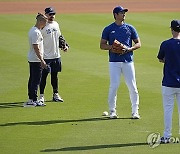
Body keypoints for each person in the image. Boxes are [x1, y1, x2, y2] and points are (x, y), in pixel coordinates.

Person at [100, 6, 141, 119]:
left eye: (124, 12)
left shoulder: (130, 28)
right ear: (115, 15)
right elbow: (102, 45)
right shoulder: (108, 29)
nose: (124, 14)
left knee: (132, 86)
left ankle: (135, 111)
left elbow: (138, 44)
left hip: (128, 61)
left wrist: (129, 49)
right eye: (121, 12)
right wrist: (112, 48)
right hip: (114, 62)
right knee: (114, 86)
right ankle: (112, 111)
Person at [157, 20, 180, 143]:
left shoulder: (165, 44)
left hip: (168, 83)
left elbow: (161, 59)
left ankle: (167, 136)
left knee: (168, 110)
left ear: (172, 29)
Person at [39, 7, 69, 103]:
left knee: (54, 76)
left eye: (53, 14)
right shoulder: (42, 27)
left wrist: (64, 45)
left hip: (56, 55)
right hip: (46, 57)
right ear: (46, 15)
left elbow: (59, 36)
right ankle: (41, 96)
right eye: (50, 14)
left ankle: (55, 94)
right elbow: (38, 41)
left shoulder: (56, 24)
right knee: (43, 77)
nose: (52, 16)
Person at [24, 13, 48, 107]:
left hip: (33, 58)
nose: (45, 24)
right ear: (40, 21)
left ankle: (31, 98)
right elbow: (36, 47)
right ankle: (33, 99)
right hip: (36, 59)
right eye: (45, 22)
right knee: (36, 80)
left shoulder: (33, 30)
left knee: (32, 79)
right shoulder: (36, 32)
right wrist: (42, 60)